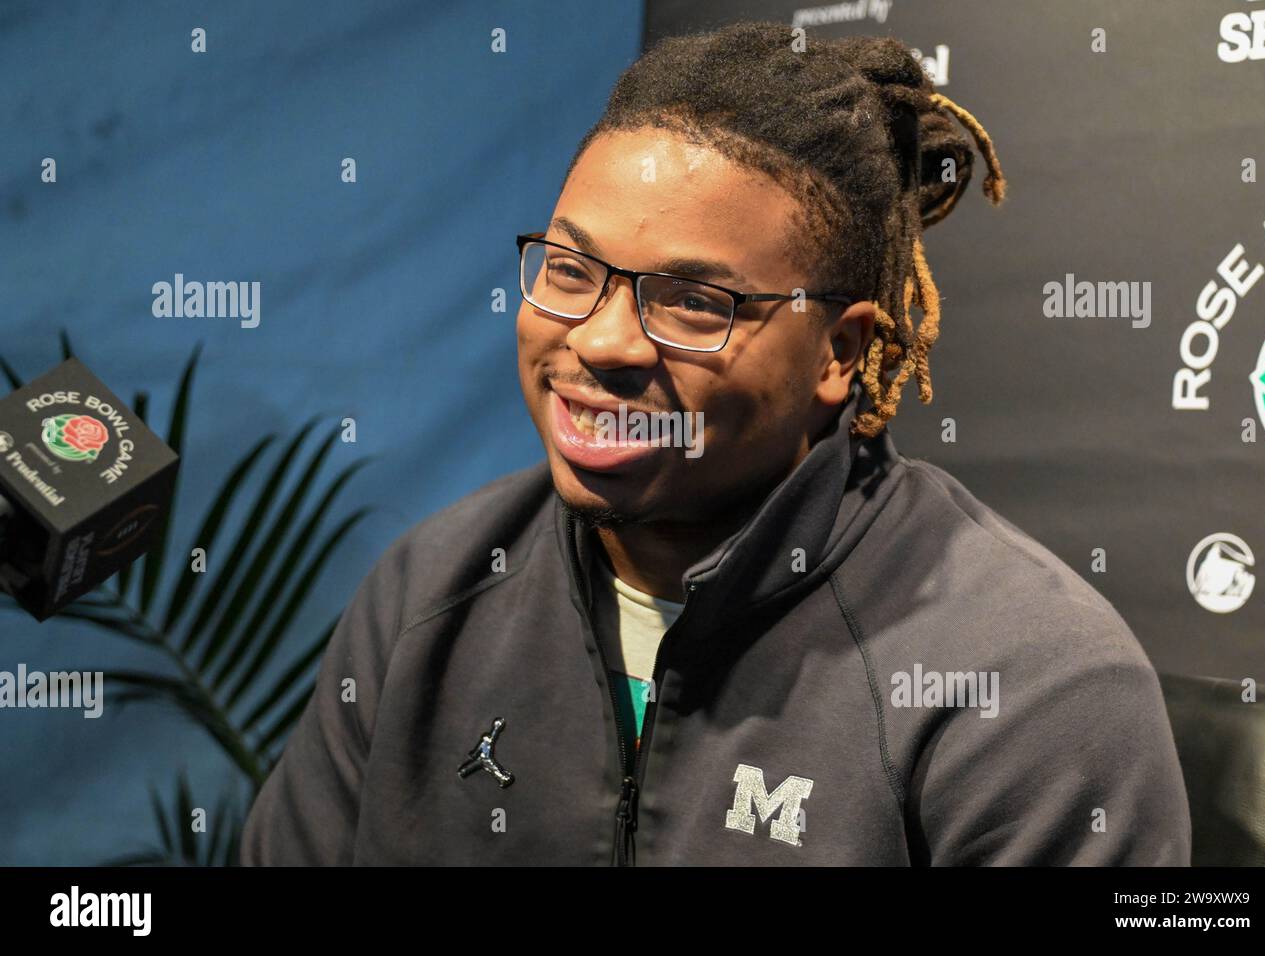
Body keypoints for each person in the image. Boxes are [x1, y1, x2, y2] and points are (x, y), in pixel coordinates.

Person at [240, 20, 1191, 866]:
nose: (601, 342)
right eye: (571, 270)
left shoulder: (1030, 682)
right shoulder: (429, 595)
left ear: (839, 351)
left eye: (693, 302)